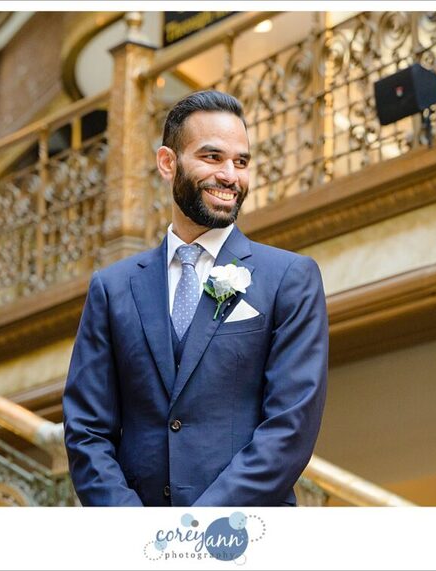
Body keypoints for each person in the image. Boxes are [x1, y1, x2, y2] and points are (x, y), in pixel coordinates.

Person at [62, 90, 328, 506]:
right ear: (168, 163)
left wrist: (192, 531)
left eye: (241, 162)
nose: (230, 175)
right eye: (212, 157)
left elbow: (289, 428)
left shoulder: (290, 279)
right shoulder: (112, 289)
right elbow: (86, 430)